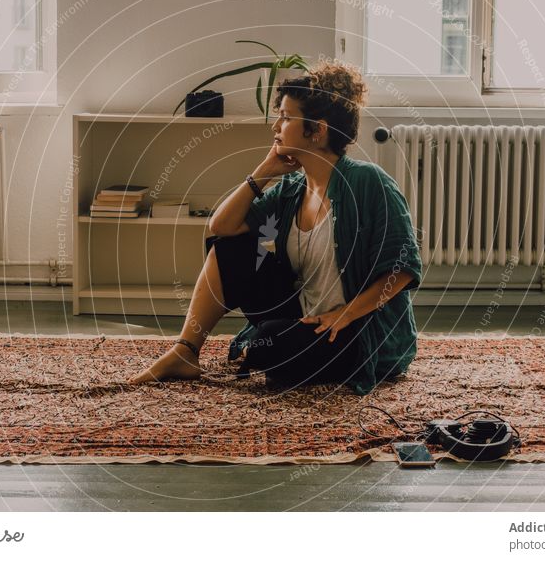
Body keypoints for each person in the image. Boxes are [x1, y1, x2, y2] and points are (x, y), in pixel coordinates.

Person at [131, 61, 422, 395]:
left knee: (267, 348)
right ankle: (186, 351)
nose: (276, 126)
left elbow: (402, 270)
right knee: (229, 250)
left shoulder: (369, 182)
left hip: (357, 329)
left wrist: (344, 314)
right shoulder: (293, 187)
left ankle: (274, 341)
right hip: (304, 313)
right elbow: (222, 228)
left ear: (318, 130)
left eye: (286, 117)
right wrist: (263, 171)